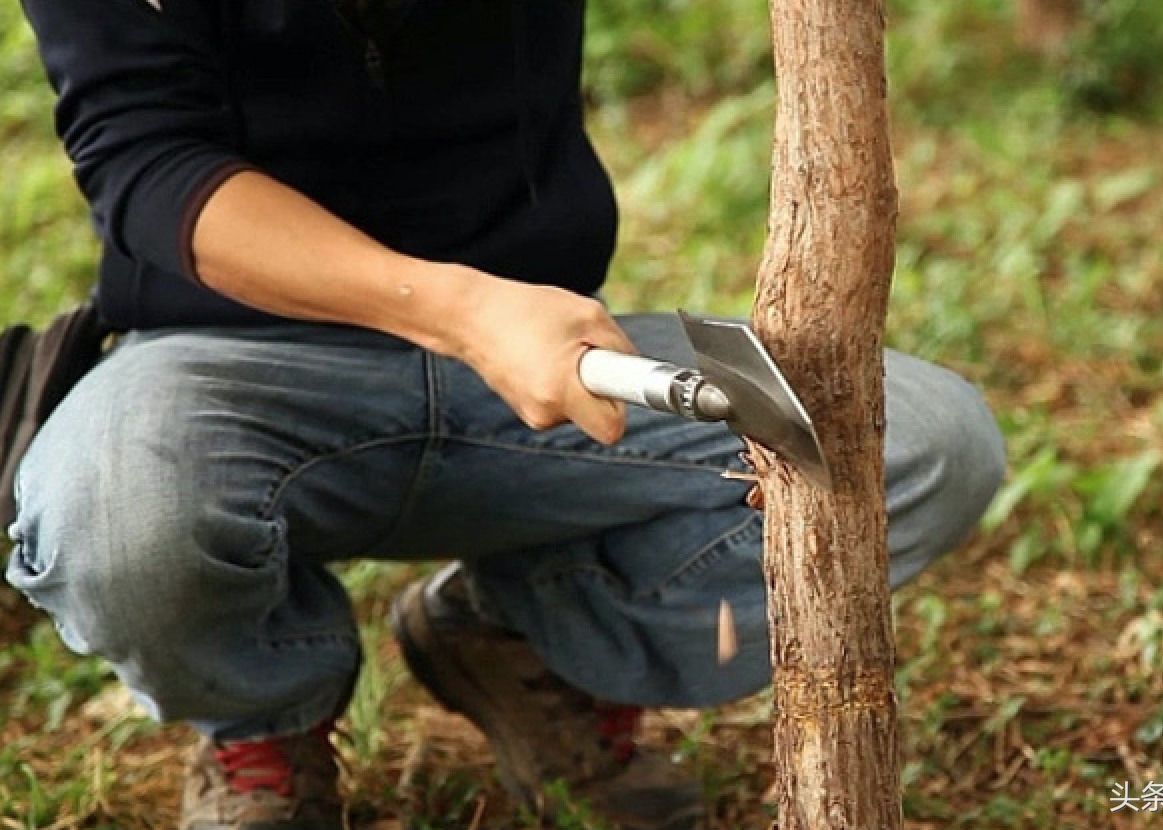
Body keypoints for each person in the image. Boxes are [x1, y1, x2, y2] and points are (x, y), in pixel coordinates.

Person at [6, 2, 1006, 829]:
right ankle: (260, 720)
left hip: (543, 356)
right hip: (230, 362)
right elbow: (146, 163)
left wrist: (493, 313)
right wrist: (460, 308)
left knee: (919, 445)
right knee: (114, 509)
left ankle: (522, 633)